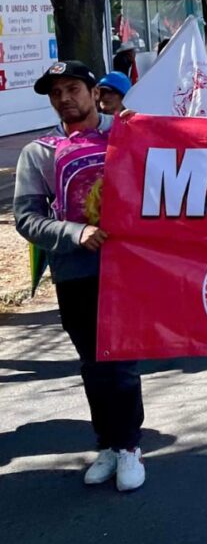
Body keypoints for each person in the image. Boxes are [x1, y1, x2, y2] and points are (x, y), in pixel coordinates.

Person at [14, 61, 146, 490]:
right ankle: (106, 444)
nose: (65, 98)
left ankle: (129, 448)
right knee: (93, 364)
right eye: (56, 93)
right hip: (76, 272)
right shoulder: (39, 153)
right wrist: (75, 232)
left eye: (73, 88)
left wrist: (144, 130)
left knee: (122, 363)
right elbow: (26, 218)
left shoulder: (130, 133)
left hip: (129, 270)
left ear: (95, 93)